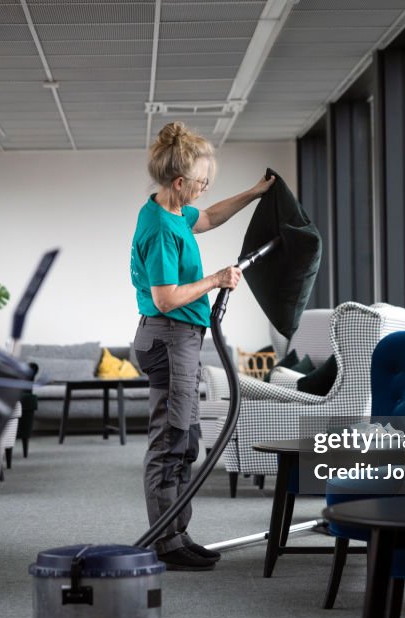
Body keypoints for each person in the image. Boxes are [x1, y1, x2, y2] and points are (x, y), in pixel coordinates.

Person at [131, 121, 274, 571]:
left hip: (181, 339)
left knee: (185, 439)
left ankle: (176, 533)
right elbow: (165, 298)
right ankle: (164, 542)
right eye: (201, 182)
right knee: (170, 441)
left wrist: (254, 193)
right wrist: (215, 280)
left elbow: (209, 217)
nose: (205, 188)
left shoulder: (173, 212)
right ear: (179, 182)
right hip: (169, 336)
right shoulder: (161, 228)